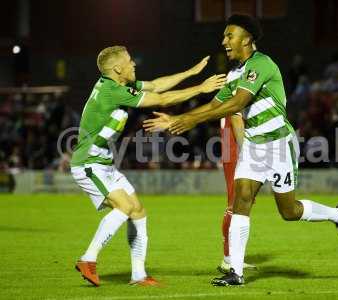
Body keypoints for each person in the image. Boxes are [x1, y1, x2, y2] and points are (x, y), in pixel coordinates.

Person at [143, 15, 338, 286]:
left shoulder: (261, 65)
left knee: (289, 212)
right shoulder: (236, 74)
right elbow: (214, 105)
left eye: (229, 36)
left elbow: (237, 103)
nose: (224, 42)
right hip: (255, 146)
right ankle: (236, 272)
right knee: (241, 199)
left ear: (247, 39)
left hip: (279, 145)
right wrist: (176, 119)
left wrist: (190, 120)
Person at [71, 45, 226, 287]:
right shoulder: (112, 92)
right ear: (117, 68)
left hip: (105, 164)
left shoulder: (119, 85)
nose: (134, 64)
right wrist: (201, 88)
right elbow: (162, 99)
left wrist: (190, 73)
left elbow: (156, 85)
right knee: (123, 208)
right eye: (130, 61)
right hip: (89, 164)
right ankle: (88, 259)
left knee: (138, 212)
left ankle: (138, 275)